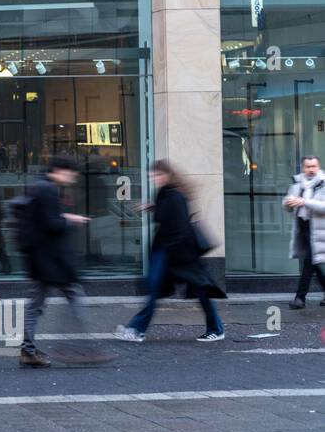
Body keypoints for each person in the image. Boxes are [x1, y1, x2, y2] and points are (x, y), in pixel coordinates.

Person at [116, 160, 226, 343]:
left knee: (199, 290)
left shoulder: (175, 196)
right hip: (168, 251)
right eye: (153, 176)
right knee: (158, 290)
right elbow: (166, 216)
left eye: (158, 176)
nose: (155, 179)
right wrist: (152, 207)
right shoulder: (163, 193)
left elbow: (180, 226)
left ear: (167, 175)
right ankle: (137, 329)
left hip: (178, 253)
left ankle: (215, 328)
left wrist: (170, 253)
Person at [18, 157, 92, 368]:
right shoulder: (49, 190)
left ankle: (28, 349)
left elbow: (45, 219)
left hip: (40, 259)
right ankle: (86, 347)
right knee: (74, 295)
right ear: (60, 170)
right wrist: (70, 219)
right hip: (51, 260)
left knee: (36, 305)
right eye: (71, 174)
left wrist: (63, 216)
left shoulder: (39, 187)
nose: (72, 179)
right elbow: (52, 224)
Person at [283, 155, 325, 309]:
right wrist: (289, 203)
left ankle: (299, 298)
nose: (312, 170)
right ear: (303, 168)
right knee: (315, 263)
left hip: (320, 232)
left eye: (314, 166)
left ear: (318, 166)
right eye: (308, 167)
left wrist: (304, 201)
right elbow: (287, 204)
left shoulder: (323, 182)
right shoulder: (297, 183)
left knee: (310, 262)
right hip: (304, 230)